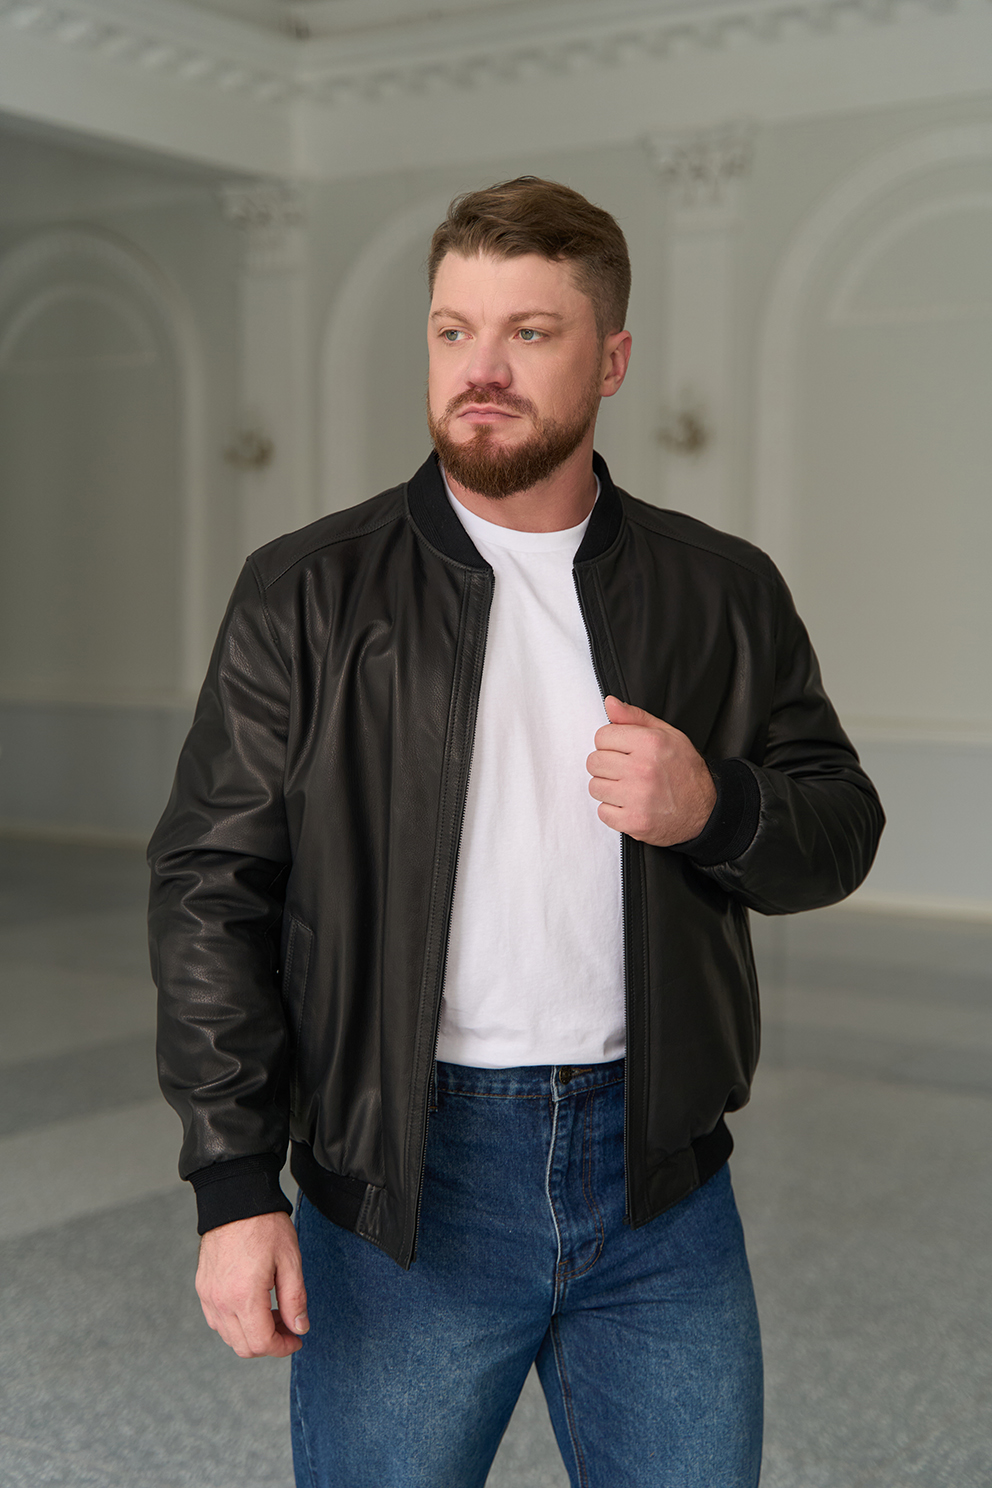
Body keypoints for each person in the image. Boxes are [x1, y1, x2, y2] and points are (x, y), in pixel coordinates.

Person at [148, 176, 884, 1488]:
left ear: (612, 361)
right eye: (453, 330)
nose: (479, 369)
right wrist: (234, 1184)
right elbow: (214, 888)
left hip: (660, 1183)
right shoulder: (306, 593)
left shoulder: (722, 590)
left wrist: (714, 807)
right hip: (402, 1184)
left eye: (529, 333)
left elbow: (841, 826)